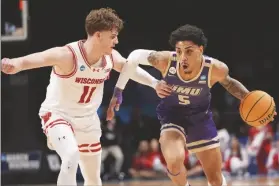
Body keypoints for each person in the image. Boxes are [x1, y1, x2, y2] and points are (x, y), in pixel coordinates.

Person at [1, 8, 171, 186]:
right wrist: (15, 63)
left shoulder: (111, 58)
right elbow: (38, 58)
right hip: (59, 115)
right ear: (98, 35)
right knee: (71, 155)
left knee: (93, 179)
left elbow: (129, 68)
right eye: (113, 36)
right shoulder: (68, 55)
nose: (117, 40)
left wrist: (155, 83)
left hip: (88, 121)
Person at [107, 24, 277, 186]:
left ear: (200, 51)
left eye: (188, 51)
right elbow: (134, 56)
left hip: (200, 118)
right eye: (179, 51)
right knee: (174, 159)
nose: (183, 57)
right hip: (172, 116)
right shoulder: (166, 61)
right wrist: (120, 90)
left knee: (216, 179)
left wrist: (249, 98)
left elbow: (230, 83)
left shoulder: (215, 68)